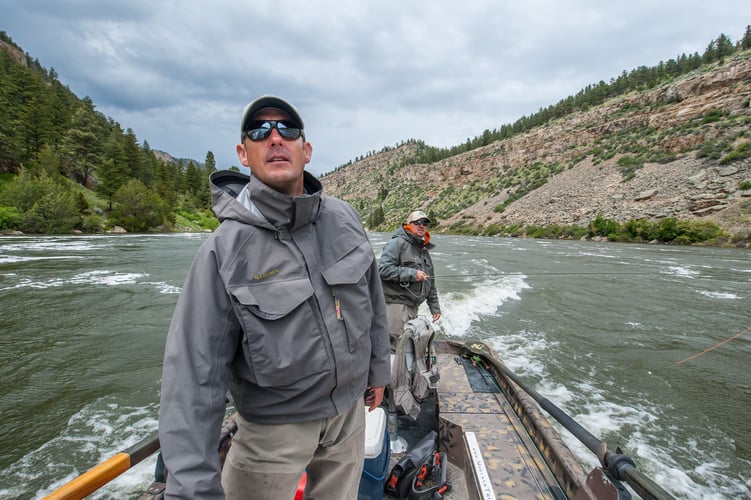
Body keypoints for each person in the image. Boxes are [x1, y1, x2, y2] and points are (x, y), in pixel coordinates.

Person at [158, 95, 390, 500]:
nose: (275, 138)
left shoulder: (345, 218)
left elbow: (371, 299)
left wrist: (378, 372)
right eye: (260, 131)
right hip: (271, 434)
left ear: (307, 150)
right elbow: (193, 378)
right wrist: (192, 488)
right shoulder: (223, 250)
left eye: (288, 129)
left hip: (349, 415)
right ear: (243, 154)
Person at [379, 210, 441, 351]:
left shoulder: (423, 250)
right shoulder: (397, 243)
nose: (421, 226)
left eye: (424, 223)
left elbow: (430, 281)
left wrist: (435, 307)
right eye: (417, 222)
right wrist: (412, 274)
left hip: (412, 307)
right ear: (408, 225)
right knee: (395, 347)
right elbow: (383, 270)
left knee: (406, 346)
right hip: (396, 305)